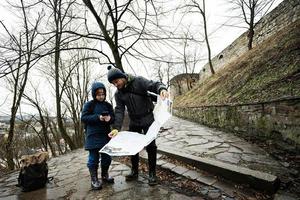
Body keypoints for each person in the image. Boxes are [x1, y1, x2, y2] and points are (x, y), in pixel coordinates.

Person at [107, 65, 169, 186]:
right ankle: (134, 171)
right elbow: (119, 111)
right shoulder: (118, 94)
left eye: (116, 81)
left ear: (122, 77)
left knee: (151, 146)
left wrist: (161, 88)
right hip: (134, 121)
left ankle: (152, 174)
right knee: (132, 146)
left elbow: (153, 84)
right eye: (113, 83)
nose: (116, 85)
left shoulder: (138, 81)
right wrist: (116, 128)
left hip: (147, 118)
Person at [81, 82, 115, 190]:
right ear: (94, 94)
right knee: (93, 159)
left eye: (103, 94)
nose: (101, 96)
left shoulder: (108, 105)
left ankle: (105, 175)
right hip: (92, 135)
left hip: (106, 135)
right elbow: (84, 118)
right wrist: (98, 117)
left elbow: (113, 118)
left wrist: (110, 119)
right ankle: (94, 179)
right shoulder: (89, 105)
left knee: (107, 158)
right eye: (98, 94)